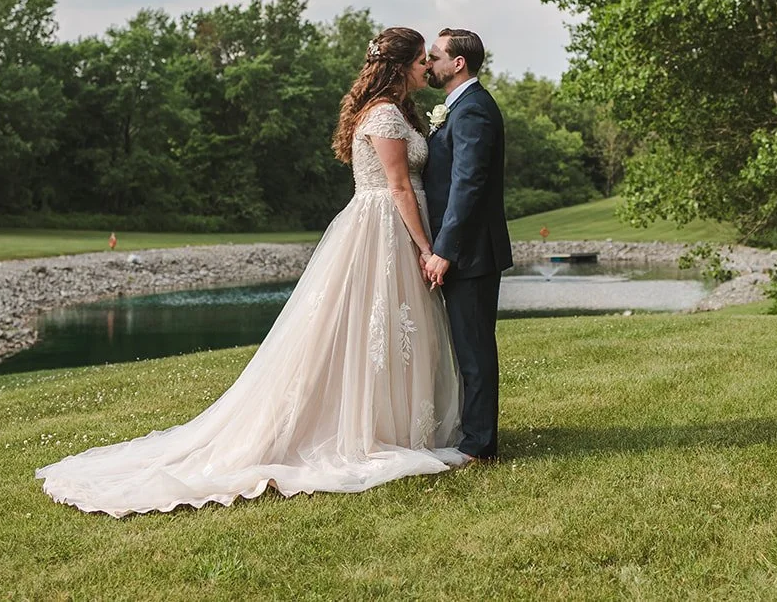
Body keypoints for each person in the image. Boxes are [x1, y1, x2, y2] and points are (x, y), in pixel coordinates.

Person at [36, 27, 468, 517]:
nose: (424, 68)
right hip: (384, 228)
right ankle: (364, 429)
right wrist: (426, 246)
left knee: (391, 327)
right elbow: (398, 187)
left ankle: (396, 423)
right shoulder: (386, 114)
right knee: (371, 326)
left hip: (391, 226)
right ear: (399, 66)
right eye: (418, 61)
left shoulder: (395, 111)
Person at [422, 28, 513, 461]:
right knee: (467, 347)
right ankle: (472, 432)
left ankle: (480, 445)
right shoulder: (461, 108)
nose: (428, 62)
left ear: (458, 63)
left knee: (474, 349)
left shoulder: (473, 109)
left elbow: (468, 185)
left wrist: (445, 250)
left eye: (435, 55)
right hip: (466, 250)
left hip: (471, 253)